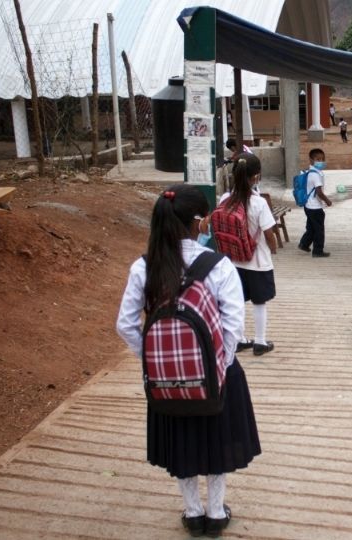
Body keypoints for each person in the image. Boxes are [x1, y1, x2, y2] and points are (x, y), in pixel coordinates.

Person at [115, 184, 261, 538]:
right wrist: (218, 367)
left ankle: (192, 512)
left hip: (166, 380)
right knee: (217, 440)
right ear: (200, 222)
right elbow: (232, 325)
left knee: (181, 442)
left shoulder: (143, 266)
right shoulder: (219, 265)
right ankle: (215, 512)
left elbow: (125, 324)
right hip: (216, 374)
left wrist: (155, 361)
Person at [218, 154, 278, 355]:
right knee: (259, 302)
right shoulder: (258, 202)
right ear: (257, 176)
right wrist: (274, 248)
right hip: (257, 261)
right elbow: (269, 233)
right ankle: (260, 342)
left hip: (233, 260)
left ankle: (240, 339)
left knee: (237, 301)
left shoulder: (225, 199)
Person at [298, 148, 333, 258]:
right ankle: (318, 251)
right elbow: (319, 192)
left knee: (311, 227)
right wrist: (327, 201)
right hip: (315, 207)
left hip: (308, 206)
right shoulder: (316, 175)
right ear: (311, 160)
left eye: (322, 159)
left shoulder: (309, 172)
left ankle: (304, 244)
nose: (321, 161)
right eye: (318, 159)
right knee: (319, 229)